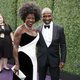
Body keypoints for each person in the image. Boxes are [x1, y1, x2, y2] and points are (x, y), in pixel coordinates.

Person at [36, 8, 67, 80]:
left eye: (49, 16)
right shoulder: (37, 30)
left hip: (54, 60)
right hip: (41, 59)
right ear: (41, 17)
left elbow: (63, 45)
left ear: (52, 16)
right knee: (41, 78)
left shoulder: (59, 29)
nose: (47, 18)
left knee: (55, 78)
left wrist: (62, 60)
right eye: (44, 16)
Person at [13, 2, 41, 80]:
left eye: (33, 18)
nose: (31, 20)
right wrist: (17, 64)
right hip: (22, 60)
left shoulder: (35, 30)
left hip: (33, 60)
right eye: (28, 18)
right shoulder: (20, 30)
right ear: (24, 17)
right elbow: (15, 47)